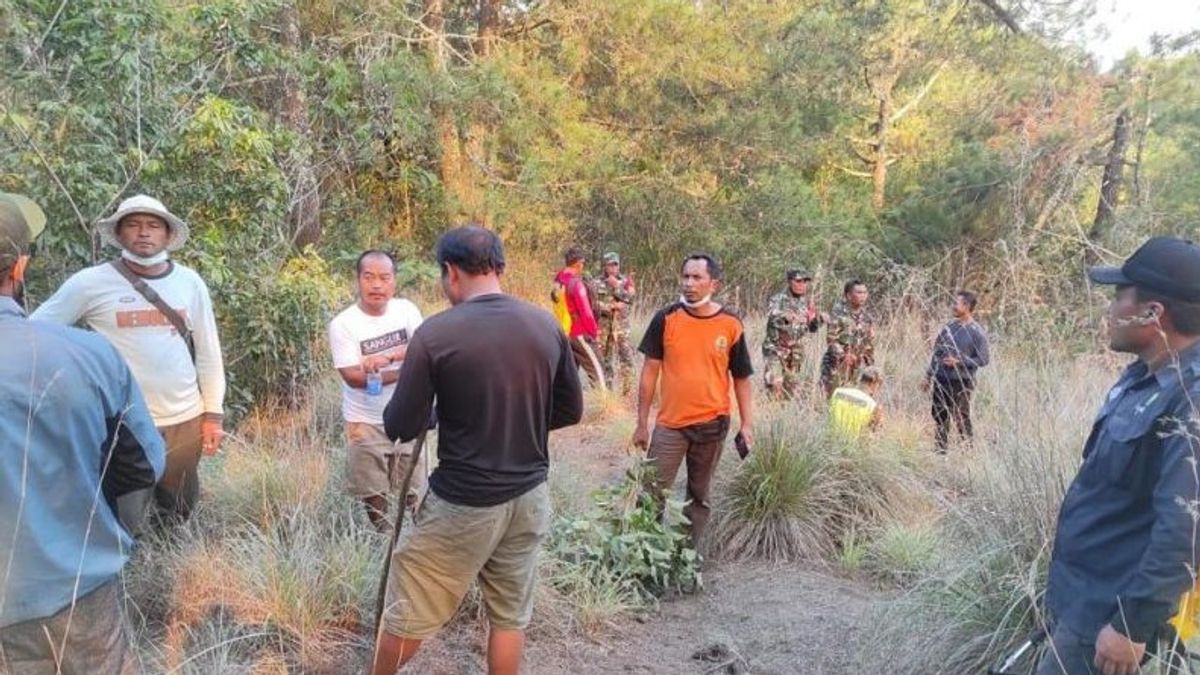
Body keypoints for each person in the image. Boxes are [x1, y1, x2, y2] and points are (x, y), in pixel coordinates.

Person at [372, 226, 583, 675]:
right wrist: (509, 418)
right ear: (499, 268)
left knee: (410, 607)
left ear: (450, 272)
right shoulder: (545, 324)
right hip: (529, 495)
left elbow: (400, 425)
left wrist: (450, 415)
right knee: (509, 616)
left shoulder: (435, 334)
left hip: (463, 502)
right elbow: (570, 409)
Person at [0, 193, 165, 674]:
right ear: (20, 267)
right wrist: (105, 541)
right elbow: (140, 469)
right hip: (74, 596)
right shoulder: (90, 356)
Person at [1037, 237, 1200, 675]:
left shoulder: (1191, 398)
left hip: (1115, 622)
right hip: (1084, 602)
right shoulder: (1143, 378)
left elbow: (1185, 525)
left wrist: (1133, 623)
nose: (1109, 311)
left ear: (1153, 313)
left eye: (1118, 298)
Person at [33, 194, 225, 524]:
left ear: (167, 235)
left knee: (177, 508)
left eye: (153, 225)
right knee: (126, 514)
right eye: (133, 225)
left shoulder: (190, 283)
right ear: (120, 234)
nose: (143, 232)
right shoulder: (90, 283)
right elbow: (36, 332)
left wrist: (214, 414)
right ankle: (130, 572)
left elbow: (208, 353)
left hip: (184, 418)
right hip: (123, 422)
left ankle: (171, 569)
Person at [633, 253, 755, 549]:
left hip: (713, 425)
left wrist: (747, 424)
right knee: (651, 493)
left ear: (713, 283)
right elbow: (650, 372)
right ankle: (643, 559)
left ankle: (686, 558)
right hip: (670, 426)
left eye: (696, 277)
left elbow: (741, 377)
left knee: (699, 495)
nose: (689, 283)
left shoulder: (730, 323)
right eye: (685, 276)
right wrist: (641, 424)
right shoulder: (666, 318)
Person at [328, 250, 426, 531]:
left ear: (394, 281)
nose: (377, 285)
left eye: (384, 277)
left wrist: (390, 358)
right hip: (365, 421)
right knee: (372, 487)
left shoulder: (406, 310)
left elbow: (423, 348)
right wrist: (407, 371)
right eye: (369, 277)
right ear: (358, 281)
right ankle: (383, 537)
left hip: (408, 413)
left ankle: (413, 536)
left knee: (414, 485)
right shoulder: (343, 324)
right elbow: (354, 377)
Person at [923, 290, 990, 452]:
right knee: (939, 414)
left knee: (961, 416)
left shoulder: (977, 332)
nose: (953, 306)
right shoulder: (949, 327)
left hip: (962, 381)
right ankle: (940, 450)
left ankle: (967, 450)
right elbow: (937, 352)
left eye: (956, 303)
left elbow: (983, 360)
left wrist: (959, 362)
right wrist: (929, 376)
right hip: (941, 378)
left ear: (966, 306)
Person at [763, 269, 825, 399]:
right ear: (790, 282)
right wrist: (785, 316)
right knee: (775, 384)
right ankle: (770, 412)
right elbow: (772, 315)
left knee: (790, 391)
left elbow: (811, 327)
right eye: (799, 281)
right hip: (776, 350)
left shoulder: (807, 303)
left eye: (805, 281)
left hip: (796, 354)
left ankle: (782, 416)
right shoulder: (778, 299)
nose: (802, 284)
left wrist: (820, 320)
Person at [554, 246, 605, 388]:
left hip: (562, 332)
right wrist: (594, 333)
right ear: (578, 264)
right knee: (598, 370)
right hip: (579, 332)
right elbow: (586, 312)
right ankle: (605, 406)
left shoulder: (558, 282)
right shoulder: (576, 284)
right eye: (582, 264)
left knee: (568, 374)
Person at [821, 279, 875, 397]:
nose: (863, 296)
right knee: (833, 399)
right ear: (849, 296)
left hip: (857, 366)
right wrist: (844, 355)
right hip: (836, 365)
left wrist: (870, 365)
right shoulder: (838, 313)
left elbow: (868, 344)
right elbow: (831, 340)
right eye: (859, 293)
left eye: (865, 292)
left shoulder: (867, 317)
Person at [594, 251, 637, 394]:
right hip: (604, 327)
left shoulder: (626, 282)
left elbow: (631, 299)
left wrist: (617, 286)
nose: (613, 268)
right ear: (605, 266)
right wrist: (609, 307)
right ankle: (606, 394)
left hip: (621, 327)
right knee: (604, 360)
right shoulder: (596, 282)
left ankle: (627, 392)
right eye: (610, 265)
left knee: (626, 358)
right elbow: (592, 304)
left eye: (615, 265)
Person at [828, 366, 883, 439]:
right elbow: (871, 436)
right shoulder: (873, 406)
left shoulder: (838, 392)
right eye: (879, 386)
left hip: (831, 442)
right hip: (854, 447)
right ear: (874, 382)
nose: (877, 390)